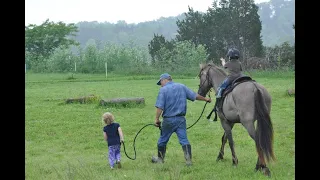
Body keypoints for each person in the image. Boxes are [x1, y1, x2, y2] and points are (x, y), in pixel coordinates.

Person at [152, 73, 212, 166]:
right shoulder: (182, 87)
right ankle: (188, 161)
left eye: (161, 82)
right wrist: (206, 99)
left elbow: (160, 106)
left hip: (168, 120)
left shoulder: (163, 90)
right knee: (184, 140)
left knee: (162, 140)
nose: (161, 85)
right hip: (181, 120)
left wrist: (156, 119)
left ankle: (160, 159)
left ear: (164, 80)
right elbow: (194, 96)